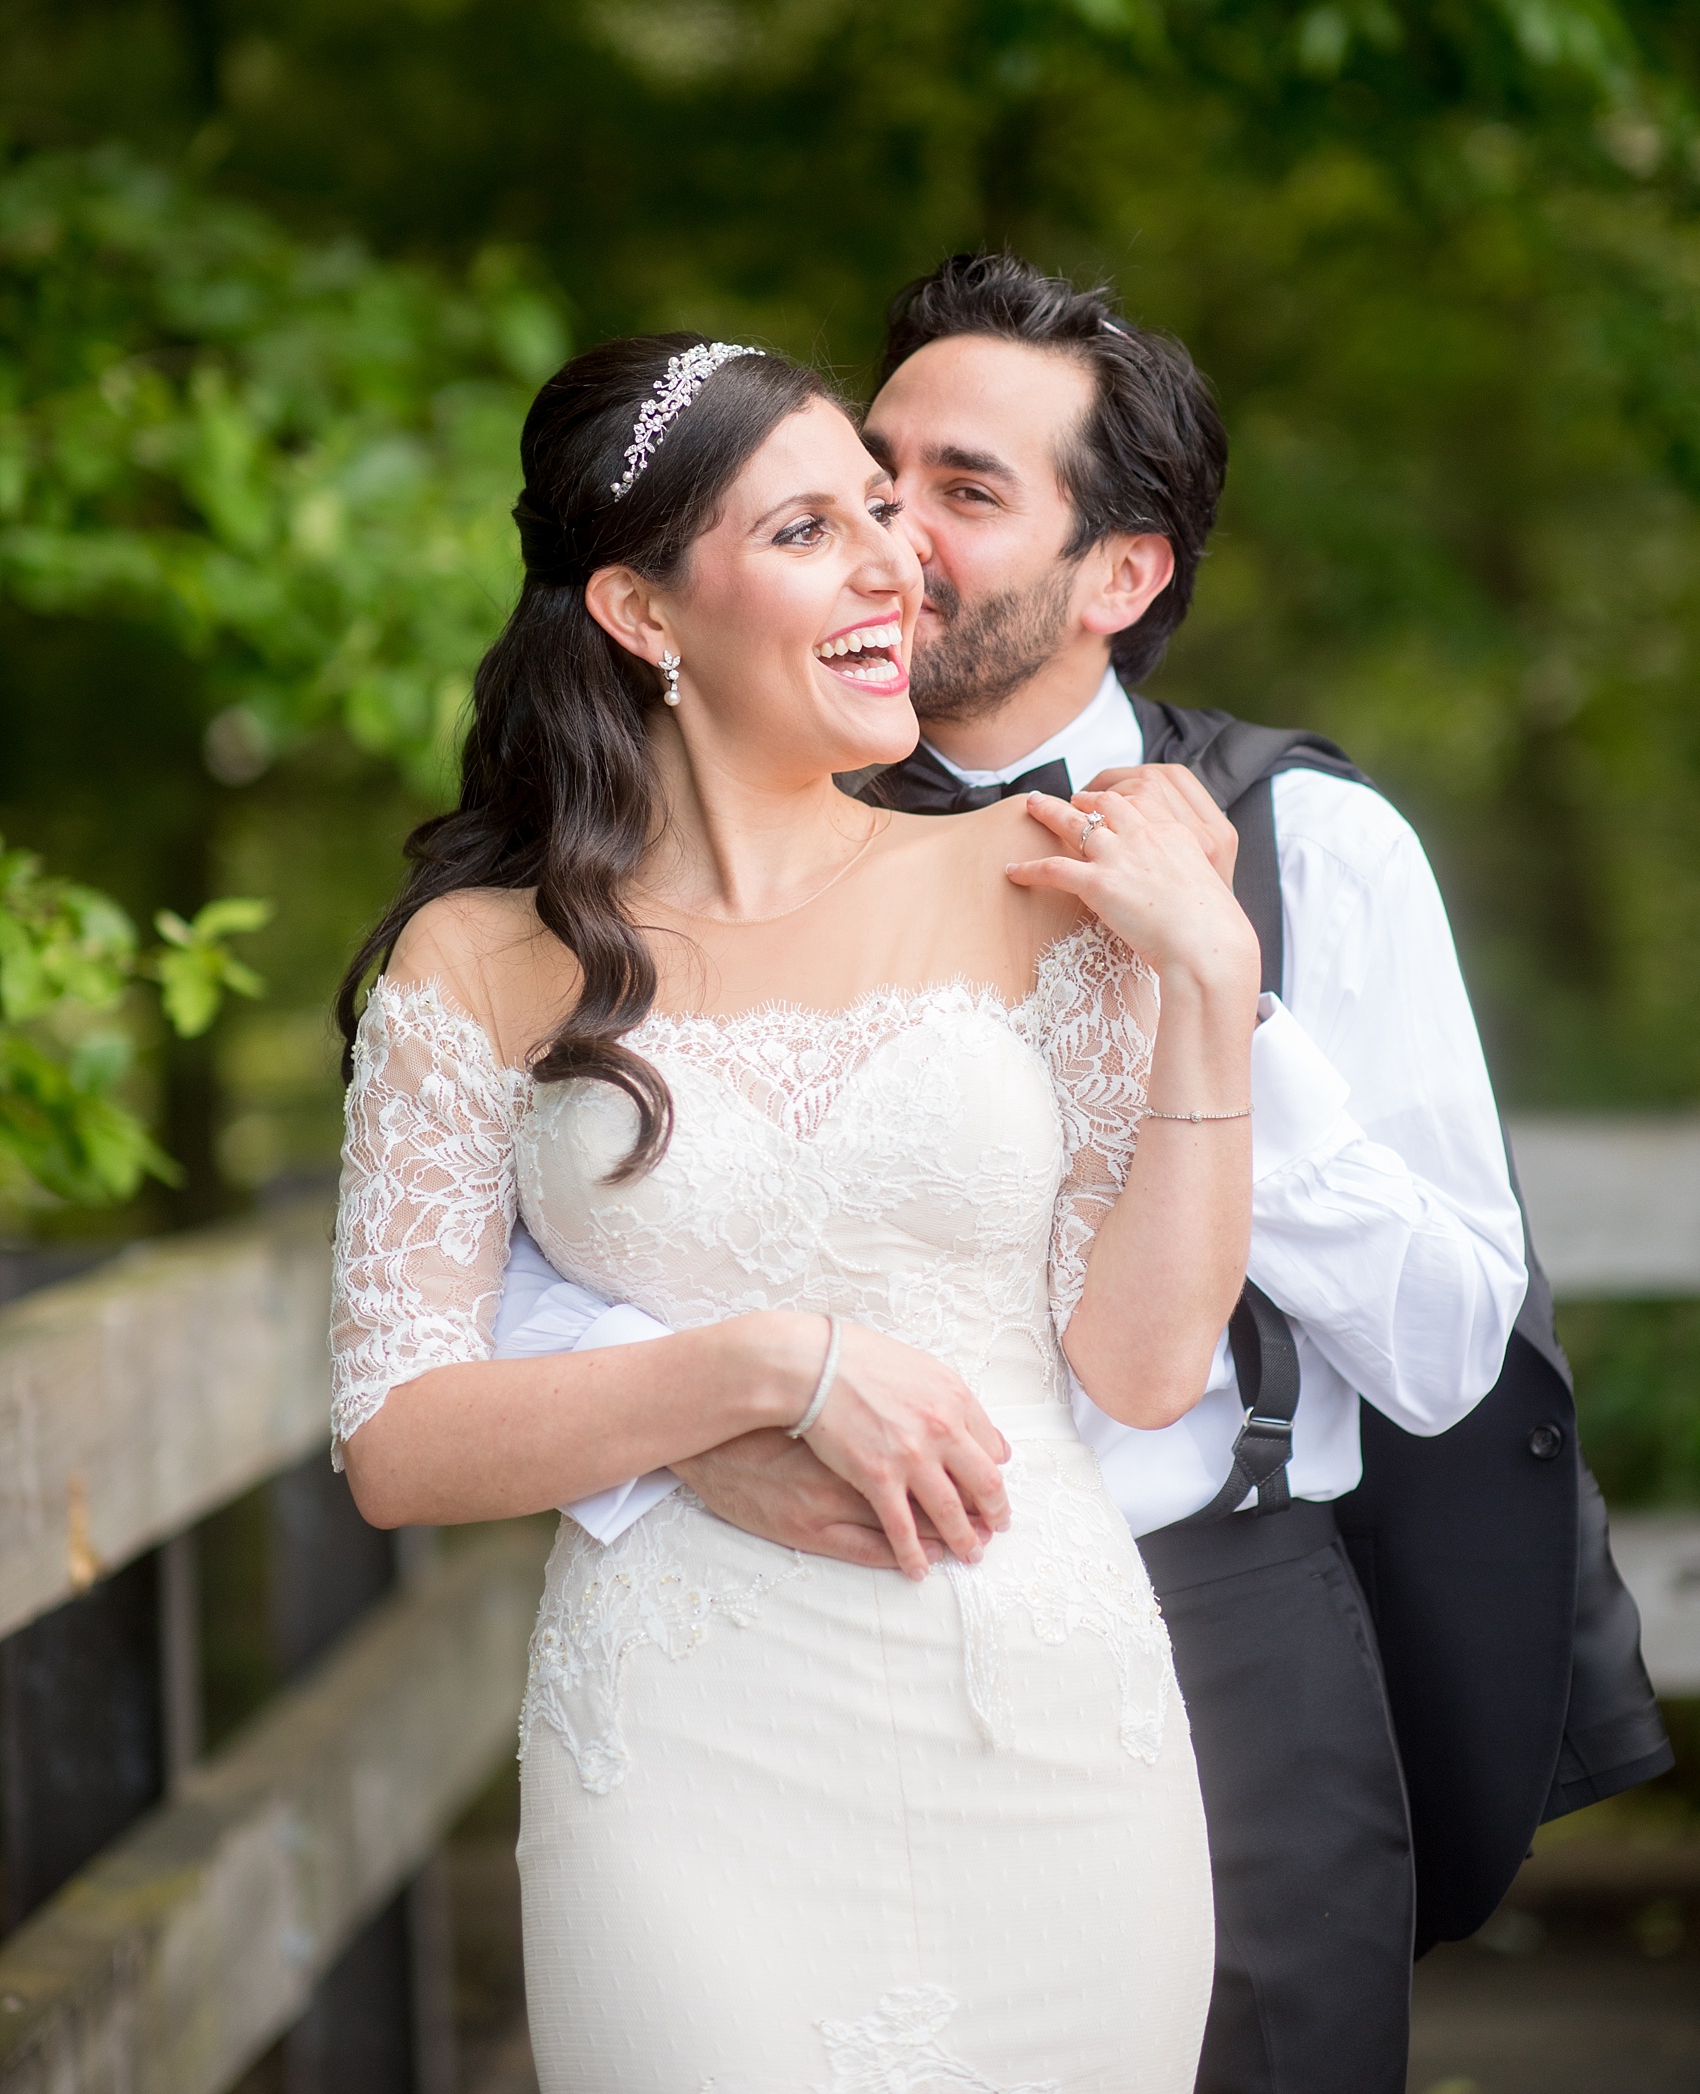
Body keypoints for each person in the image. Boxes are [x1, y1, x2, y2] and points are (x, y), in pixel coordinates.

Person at [496, 257, 1666, 2093]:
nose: (895, 539)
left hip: (1214, 1643)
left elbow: (1448, 1347)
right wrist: (679, 1429)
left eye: (965, 493)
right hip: (779, 1655)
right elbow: (517, 1248)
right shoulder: (657, 846)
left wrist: (1217, 994)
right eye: (869, 482)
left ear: (1122, 577)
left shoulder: (1313, 850)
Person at [330, 332, 1263, 2090]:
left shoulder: (1039, 880)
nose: (897, 565)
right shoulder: (481, 960)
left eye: (891, 519)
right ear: (642, 611)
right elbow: (400, 1442)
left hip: (1043, 1728)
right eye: (812, 528)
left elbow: (1143, 1370)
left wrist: (1210, 979)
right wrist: (772, 1366)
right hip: (686, 1759)